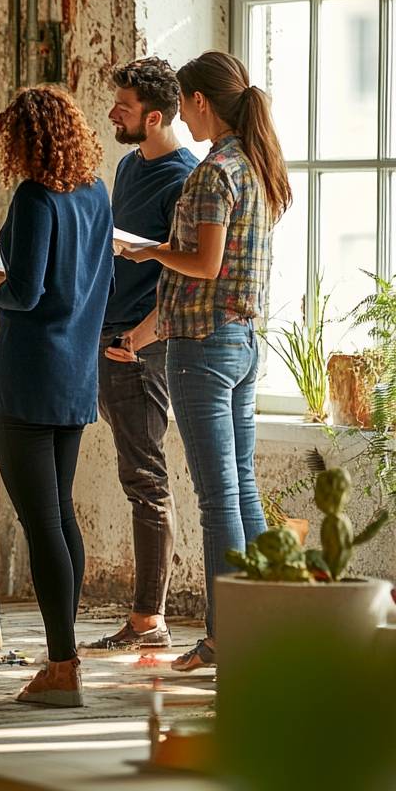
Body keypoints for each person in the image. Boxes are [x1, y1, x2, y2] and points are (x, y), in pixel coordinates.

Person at [120, 51, 291, 672]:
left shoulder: (215, 170)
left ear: (197, 101)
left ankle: (224, 637)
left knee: (218, 499)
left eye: (187, 106)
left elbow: (205, 264)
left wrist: (152, 253)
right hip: (243, 343)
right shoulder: (257, 165)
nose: (187, 122)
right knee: (241, 490)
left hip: (204, 349)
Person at [0, 84, 114, 708]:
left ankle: (62, 667)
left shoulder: (35, 198)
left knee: (42, 524)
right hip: (76, 376)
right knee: (59, 513)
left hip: (28, 380)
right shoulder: (95, 195)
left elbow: (24, 293)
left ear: (23, 139)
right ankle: (68, 651)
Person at [79, 58, 198, 654]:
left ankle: (148, 619)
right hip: (108, 333)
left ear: (154, 117)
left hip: (142, 345)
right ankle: (145, 617)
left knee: (146, 478)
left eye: (122, 109)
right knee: (136, 474)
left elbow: (187, 279)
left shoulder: (185, 179)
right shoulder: (128, 166)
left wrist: (138, 340)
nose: (112, 115)